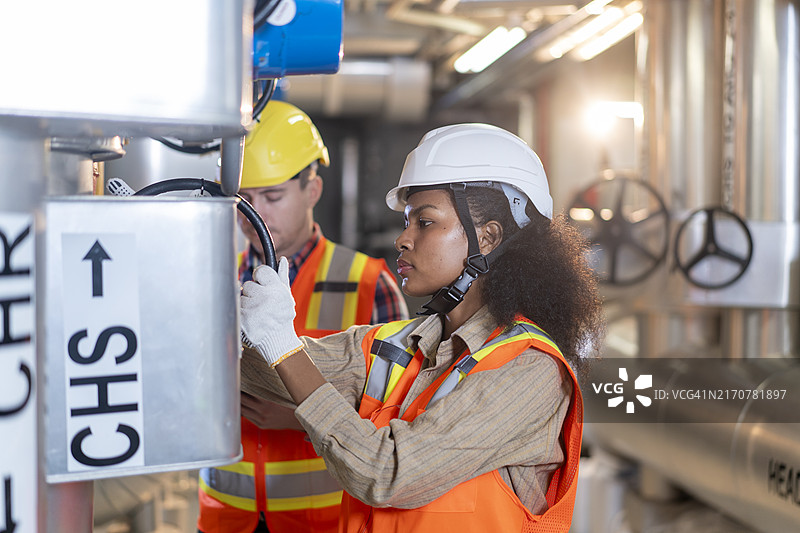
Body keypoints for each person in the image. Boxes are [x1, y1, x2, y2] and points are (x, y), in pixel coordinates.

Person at [239, 123, 604, 532]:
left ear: (487, 237)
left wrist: (281, 344)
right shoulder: (395, 346)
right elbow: (260, 373)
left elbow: (388, 474)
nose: (402, 239)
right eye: (407, 222)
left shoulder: (529, 371)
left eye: (425, 223)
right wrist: (233, 320)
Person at [197, 100, 409, 533]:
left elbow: (400, 417)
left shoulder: (370, 283)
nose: (254, 215)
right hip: (224, 515)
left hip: (322, 521)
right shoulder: (208, 279)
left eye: (272, 197)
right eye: (244, 199)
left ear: (312, 190)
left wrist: (301, 416)